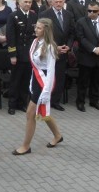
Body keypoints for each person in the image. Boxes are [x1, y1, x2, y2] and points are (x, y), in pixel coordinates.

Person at [12, 18, 63, 155]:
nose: (36, 30)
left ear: (46, 30)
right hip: (36, 79)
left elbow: (51, 71)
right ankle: (57, 135)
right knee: (42, 112)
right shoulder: (35, 42)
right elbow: (34, 66)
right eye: (36, 27)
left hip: (44, 81)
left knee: (30, 114)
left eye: (39, 28)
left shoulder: (50, 46)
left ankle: (26, 146)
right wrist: (31, 81)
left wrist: (46, 91)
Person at [75, 1, 99, 111]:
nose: (91, 13)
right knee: (83, 82)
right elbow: (81, 38)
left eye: (94, 11)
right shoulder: (81, 22)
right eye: (89, 11)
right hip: (86, 56)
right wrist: (93, 49)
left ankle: (94, 101)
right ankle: (80, 102)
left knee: (96, 81)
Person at [39, 0, 73, 111]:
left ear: (64, 2)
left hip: (63, 52)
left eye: (61, 2)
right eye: (56, 2)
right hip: (49, 51)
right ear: (51, 2)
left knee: (59, 77)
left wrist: (68, 46)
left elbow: (71, 33)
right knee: (48, 77)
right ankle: (44, 99)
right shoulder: (45, 15)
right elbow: (42, 34)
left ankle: (55, 101)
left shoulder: (68, 14)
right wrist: (55, 46)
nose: (58, 4)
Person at [5, 0, 37, 115]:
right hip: (18, 53)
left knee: (26, 81)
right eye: (25, 2)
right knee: (15, 80)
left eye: (29, 2)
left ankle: (22, 103)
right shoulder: (13, 16)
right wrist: (12, 54)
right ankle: (12, 104)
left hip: (29, 53)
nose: (28, 4)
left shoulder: (34, 16)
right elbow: (10, 36)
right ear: (19, 3)